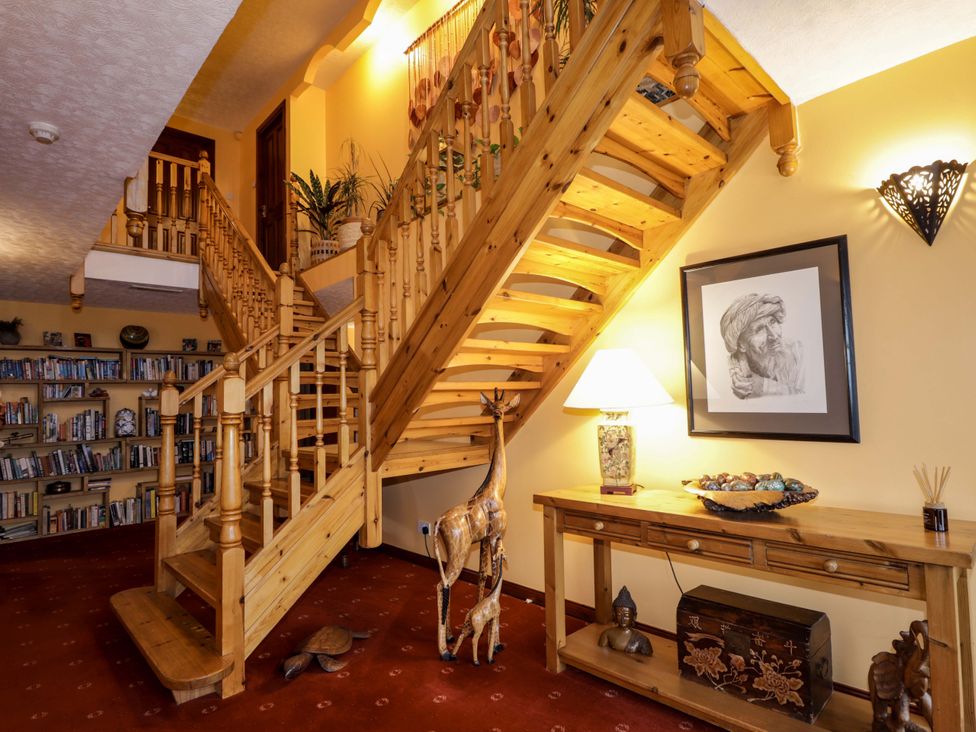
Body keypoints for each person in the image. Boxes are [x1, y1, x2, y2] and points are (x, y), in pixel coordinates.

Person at [719, 293, 804, 399]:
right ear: (741, 345)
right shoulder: (737, 368)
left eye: (772, 322)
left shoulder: (799, 353)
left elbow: (806, 399)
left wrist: (763, 386)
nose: (774, 336)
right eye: (759, 329)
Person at [598, 586, 652, 656]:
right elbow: (601, 655)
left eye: (626, 615)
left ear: (634, 616)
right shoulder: (607, 634)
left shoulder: (642, 640)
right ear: (614, 615)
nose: (623, 618)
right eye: (619, 615)